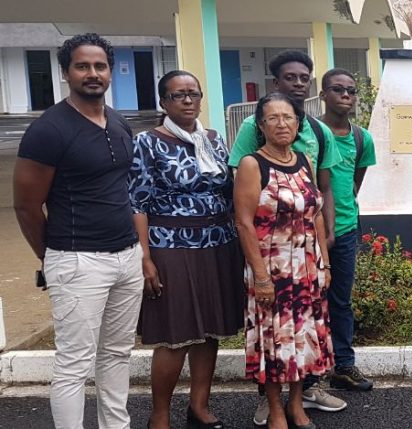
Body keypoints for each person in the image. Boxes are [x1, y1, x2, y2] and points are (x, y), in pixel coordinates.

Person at [13, 32, 143, 429]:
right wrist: (52, 257)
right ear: (66, 72)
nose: (92, 73)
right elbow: (26, 205)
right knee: (74, 363)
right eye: (82, 66)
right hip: (77, 260)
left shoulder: (118, 121)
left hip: (127, 256)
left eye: (100, 66)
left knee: (117, 354)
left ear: (110, 71)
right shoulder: (48, 130)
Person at [227, 50, 345, 425]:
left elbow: (315, 214)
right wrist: (261, 277)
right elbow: (244, 223)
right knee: (274, 340)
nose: (282, 124)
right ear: (261, 126)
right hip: (271, 269)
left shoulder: (304, 161)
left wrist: (325, 263)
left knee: (304, 337)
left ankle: (296, 403)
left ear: (297, 123)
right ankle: (275, 408)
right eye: (273, 118)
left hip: (307, 267)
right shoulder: (252, 164)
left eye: (288, 118)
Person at [132, 70, 245, 429]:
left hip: (219, 245)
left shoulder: (213, 139)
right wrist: (145, 258)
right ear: (163, 102)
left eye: (193, 94)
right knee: (175, 334)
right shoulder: (147, 142)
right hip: (170, 247)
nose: (187, 101)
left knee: (209, 330)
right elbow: (136, 203)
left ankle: (199, 407)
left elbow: (228, 192)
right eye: (177, 95)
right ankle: (159, 415)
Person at [316, 68, 378, 392]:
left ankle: (343, 365)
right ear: (323, 94)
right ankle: (311, 373)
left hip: (345, 230)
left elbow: (355, 182)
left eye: (351, 91)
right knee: (310, 303)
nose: (346, 95)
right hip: (309, 234)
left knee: (340, 301)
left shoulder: (361, 138)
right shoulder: (310, 133)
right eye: (338, 89)